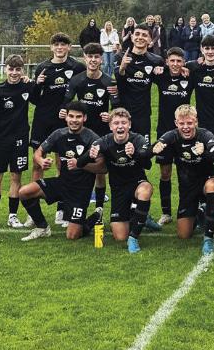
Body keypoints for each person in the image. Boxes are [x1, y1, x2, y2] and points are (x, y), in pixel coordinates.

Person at [18, 101, 101, 241]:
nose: (74, 120)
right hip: (62, 183)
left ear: (84, 118)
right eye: (71, 116)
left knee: (72, 236)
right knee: (24, 192)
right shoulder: (58, 134)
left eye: (78, 117)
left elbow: (103, 168)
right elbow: (37, 153)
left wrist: (80, 165)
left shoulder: (92, 139)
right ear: (66, 117)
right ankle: (42, 227)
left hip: (80, 192)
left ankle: (93, 219)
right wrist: (41, 161)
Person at [152, 105, 214, 255]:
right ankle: (200, 212)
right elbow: (148, 153)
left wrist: (204, 152)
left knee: (212, 186)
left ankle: (208, 237)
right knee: (183, 235)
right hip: (187, 186)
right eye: (182, 123)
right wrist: (152, 149)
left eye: (190, 123)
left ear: (196, 122)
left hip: (207, 180)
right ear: (176, 123)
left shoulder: (205, 135)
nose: (186, 127)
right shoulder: (171, 136)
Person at [78, 108, 154, 253]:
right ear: (111, 126)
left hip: (137, 183)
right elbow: (80, 163)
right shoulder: (104, 142)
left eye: (124, 123)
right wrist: (89, 156)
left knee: (145, 191)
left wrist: (135, 154)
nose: (120, 126)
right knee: (119, 236)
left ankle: (134, 238)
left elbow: (148, 165)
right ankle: (141, 216)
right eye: (116, 123)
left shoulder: (138, 140)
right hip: (118, 189)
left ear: (129, 125)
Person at [29, 33, 85, 225]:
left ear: (69, 47)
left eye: (64, 44)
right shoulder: (42, 68)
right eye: (56, 44)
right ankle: (32, 210)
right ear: (51, 47)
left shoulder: (77, 67)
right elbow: (34, 99)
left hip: (65, 123)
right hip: (43, 120)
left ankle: (62, 209)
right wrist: (38, 85)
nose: (60, 48)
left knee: (63, 164)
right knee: (37, 163)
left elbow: (83, 89)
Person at [0, 55, 35, 230]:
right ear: (5, 69)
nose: (14, 73)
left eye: (18, 69)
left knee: (16, 177)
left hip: (21, 139)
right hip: (1, 140)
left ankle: (13, 216)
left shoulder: (27, 86)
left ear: (22, 70)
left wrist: (33, 82)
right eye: (11, 69)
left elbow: (41, 97)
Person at [62, 42, 119, 216]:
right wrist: (65, 112)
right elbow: (67, 103)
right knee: (79, 169)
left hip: (101, 133)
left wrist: (110, 115)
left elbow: (117, 107)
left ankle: (99, 208)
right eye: (90, 57)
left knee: (100, 170)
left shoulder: (109, 81)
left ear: (101, 59)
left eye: (96, 57)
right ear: (85, 58)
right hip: (81, 132)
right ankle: (73, 208)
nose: (93, 60)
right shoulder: (77, 80)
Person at [152, 47, 193, 226]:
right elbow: (146, 64)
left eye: (179, 61)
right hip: (164, 132)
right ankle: (166, 212)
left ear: (183, 62)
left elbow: (202, 66)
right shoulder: (160, 75)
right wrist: (158, 66)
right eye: (172, 61)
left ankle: (188, 210)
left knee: (186, 173)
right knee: (165, 173)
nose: (175, 64)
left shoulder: (189, 76)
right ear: (167, 61)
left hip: (185, 132)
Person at [115, 25, 164, 143]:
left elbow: (171, 75)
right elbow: (116, 82)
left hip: (143, 112)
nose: (140, 37)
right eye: (137, 34)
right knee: (120, 151)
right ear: (132, 37)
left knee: (143, 151)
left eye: (144, 35)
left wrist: (184, 69)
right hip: (122, 111)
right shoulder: (120, 57)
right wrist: (121, 69)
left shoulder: (156, 60)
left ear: (150, 40)